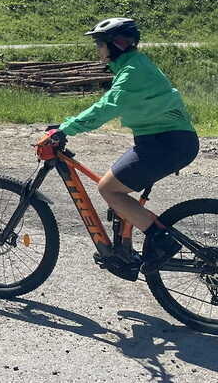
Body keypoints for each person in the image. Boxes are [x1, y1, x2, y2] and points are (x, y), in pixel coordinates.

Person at [54, 17, 198, 269]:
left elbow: (107, 107)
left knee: (109, 189)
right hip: (163, 141)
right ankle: (122, 250)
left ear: (116, 44)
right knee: (115, 181)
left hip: (166, 143)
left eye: (100, 43)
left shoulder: (132, 73)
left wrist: (66, 129)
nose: (97, 49)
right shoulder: (134, 66)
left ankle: (163, 242)